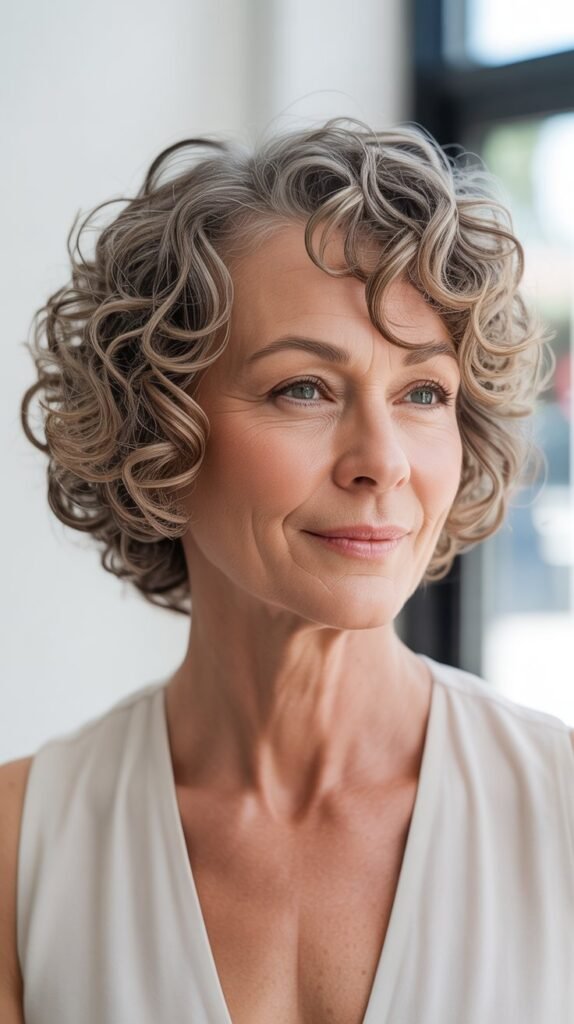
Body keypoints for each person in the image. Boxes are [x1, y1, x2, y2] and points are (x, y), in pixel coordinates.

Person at [1, 117, 572, 1023]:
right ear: (157, 430)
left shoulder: (561, 812)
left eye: (423, 393)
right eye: (303, 388)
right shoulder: (19, 847)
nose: (381, 460)